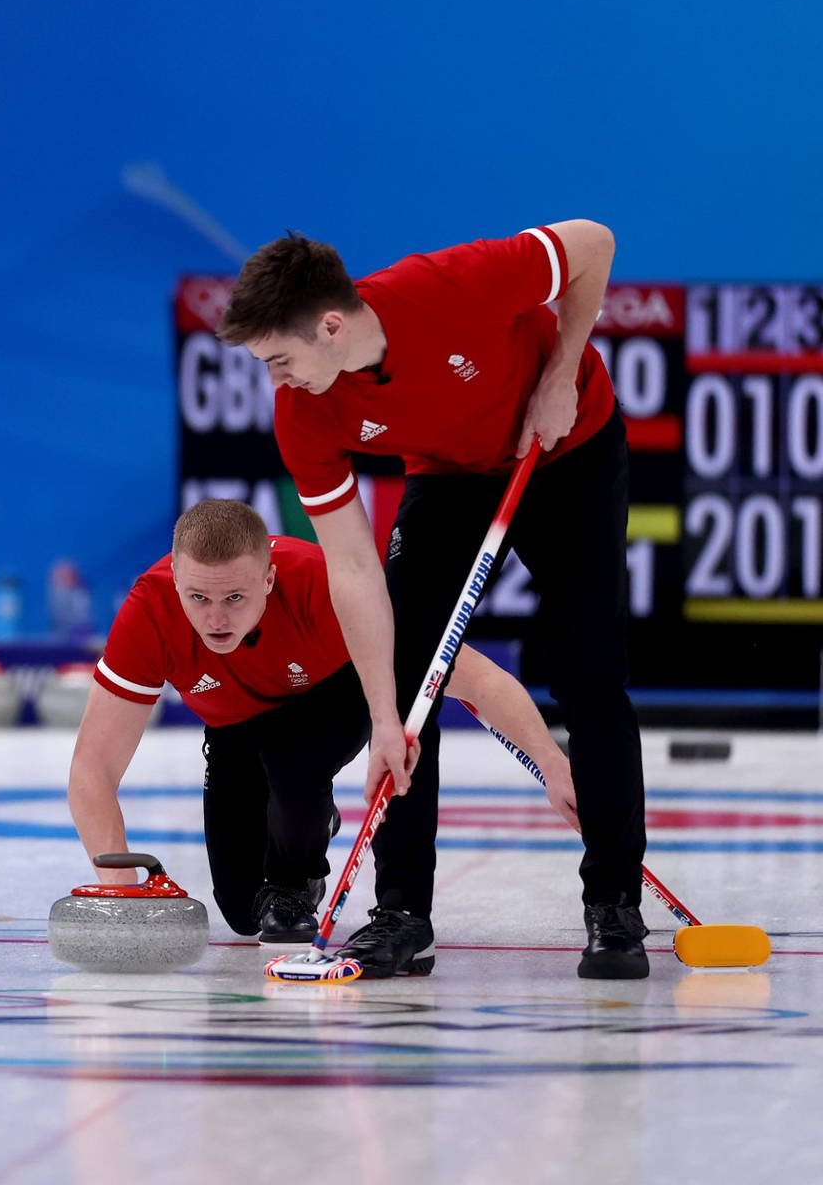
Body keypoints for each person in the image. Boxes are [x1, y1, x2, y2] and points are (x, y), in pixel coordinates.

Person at [217, 222, 648, 979]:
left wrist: (560, 375)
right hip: (451, 474)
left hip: (567, 443)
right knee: (413, 683)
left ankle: (613, 904)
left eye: (279, 359)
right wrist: (384, 718)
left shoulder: (446, 286)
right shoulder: (305, 411)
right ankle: (403, 914)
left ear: (330, 325)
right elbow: (351, 567)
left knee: (588, 671)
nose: (276, 380)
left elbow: (594, 243)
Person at [68, 499, 575, 949]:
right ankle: (313, 820)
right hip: (235, 726)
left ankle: (296, 881)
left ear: (268, 579)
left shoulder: (325, 588)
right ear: (175, 579)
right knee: (244, 913)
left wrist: (554, 764)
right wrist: (121, 891)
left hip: (332, 699)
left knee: (293, 763)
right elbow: (93, 768)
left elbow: (476, 679)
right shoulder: (149, 612)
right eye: (198, 598)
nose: (215, 620)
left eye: (235, 599)